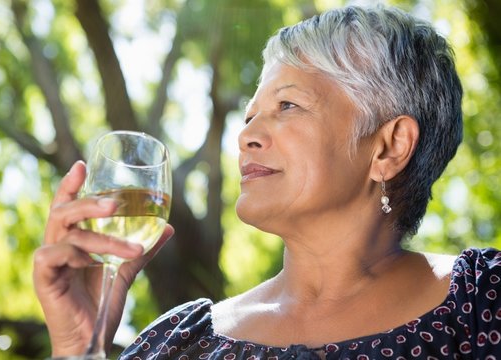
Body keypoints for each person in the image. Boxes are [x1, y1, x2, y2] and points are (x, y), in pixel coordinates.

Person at [33, 4, 501, 359]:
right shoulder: (182, 341)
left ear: (389, 146)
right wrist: (80, 345)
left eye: (288, 106)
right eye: (250, 114)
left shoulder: (484, 300)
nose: (247, 136)